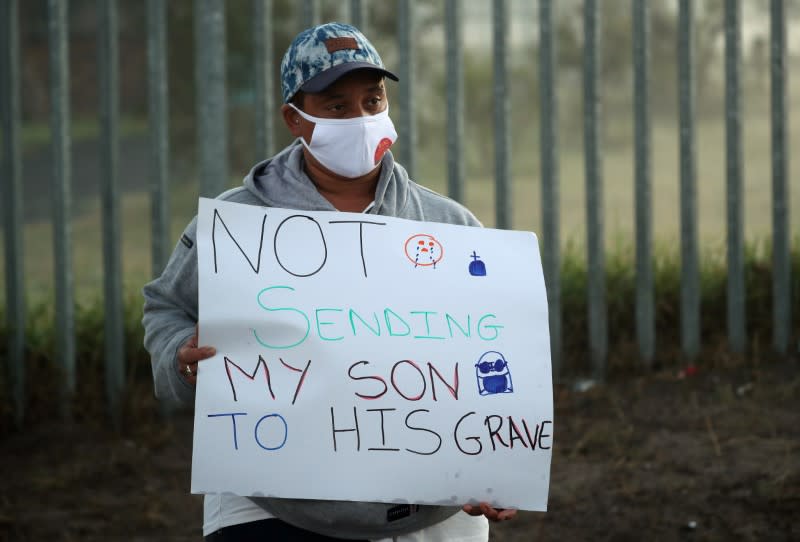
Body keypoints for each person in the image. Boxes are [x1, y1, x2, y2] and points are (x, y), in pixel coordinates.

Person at [142, 22, 517, 541]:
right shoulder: (238, 225)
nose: (361, 119)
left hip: (430, 511)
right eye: (337, 107)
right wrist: (179, 357)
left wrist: (497, 466)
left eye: (372, 100)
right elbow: (166, 308)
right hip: (276, 506)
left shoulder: (448, 227)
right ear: (294, 119)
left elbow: (495, 353)